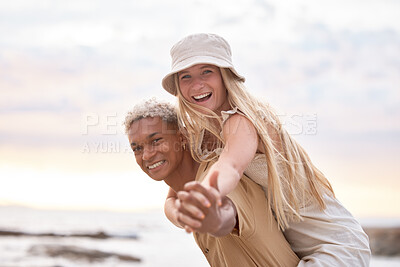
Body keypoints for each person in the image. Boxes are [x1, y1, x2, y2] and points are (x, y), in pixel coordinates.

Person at [161, 33, 371, 266]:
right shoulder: (200, 135)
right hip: (289, 252)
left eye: (206, 71)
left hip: (334, 246)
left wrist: (207, 195)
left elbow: (231, 165)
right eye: (186, 76)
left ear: (225, 75)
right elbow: (172, 197)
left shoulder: (243, 120)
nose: (196, 84)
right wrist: (182, 215)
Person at [124, 98, 300, 266]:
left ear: (182, 137)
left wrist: (213, 218)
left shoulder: (218, 179)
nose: (146, 155)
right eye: (137, 148)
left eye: (156, 140)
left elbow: (226, 214)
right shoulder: (185, 192)